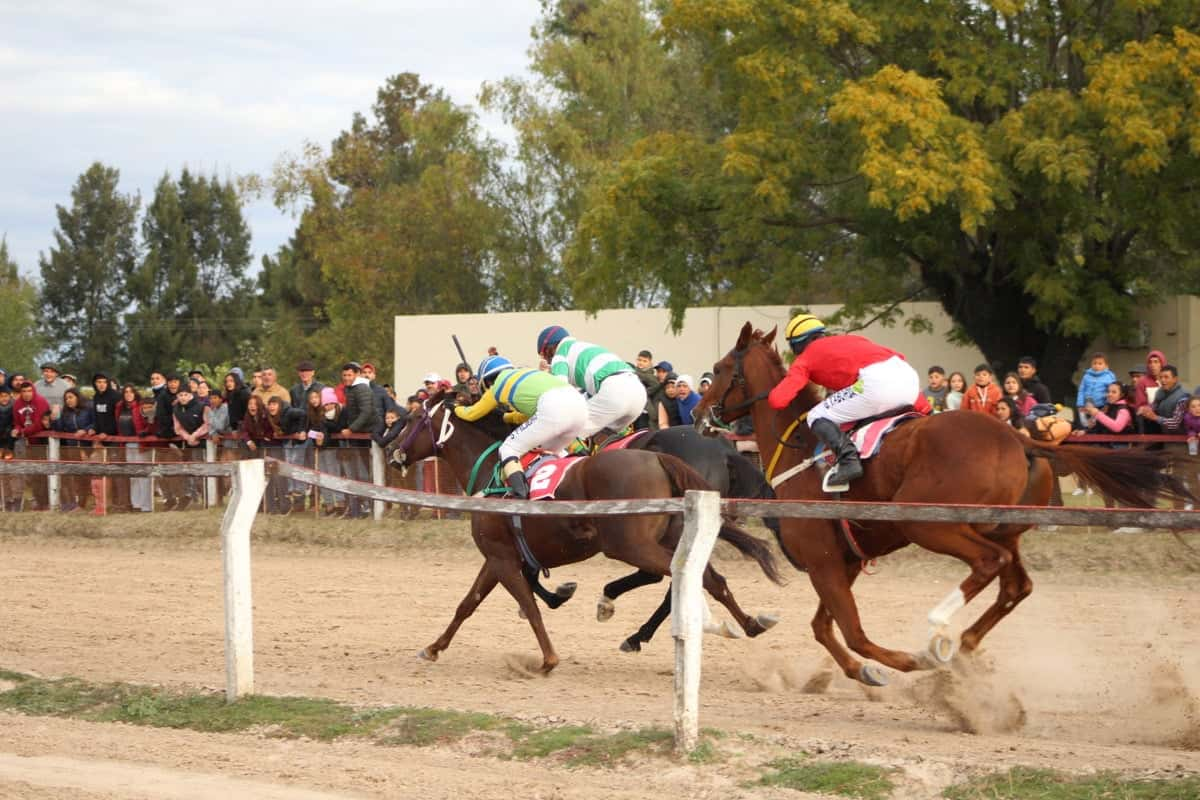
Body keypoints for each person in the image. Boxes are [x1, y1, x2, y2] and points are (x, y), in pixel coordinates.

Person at [768, 313, 920, 491]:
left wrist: (771, 394)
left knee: (816, 415)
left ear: (797, 344)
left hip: (877, 384)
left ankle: (849, 460)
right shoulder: (853, 339)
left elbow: (778, 401)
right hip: (909, 378)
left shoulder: (806, 357)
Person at [453, 355, 588, 499]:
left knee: (508, 448)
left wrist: (455, 408)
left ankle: (520, 497)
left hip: (553, 409)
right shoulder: (526, 373)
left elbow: (472, 413)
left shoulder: (497, 386)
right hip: (580, 407)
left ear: (487, 381)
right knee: (550, 451)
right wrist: (506, 417)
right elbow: (528, 415)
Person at [536, 325, 647, 447]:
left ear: (549, 349)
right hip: (638, 393)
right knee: (602, 438)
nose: (546, 360)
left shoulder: (560, 355)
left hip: (614, 393)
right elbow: (583, 396)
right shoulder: (583, 347)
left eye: (543, 355)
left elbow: (560, 393)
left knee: (563, 433)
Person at [13, 382, 50, 509]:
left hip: (42, 442)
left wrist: (23, 432)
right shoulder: (17, 403)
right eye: (24, 391)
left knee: (44, 473)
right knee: (32, 473)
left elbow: (41, 423)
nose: (27, 394)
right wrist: (17, 429)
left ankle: (46, 502)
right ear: (21, 392)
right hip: (27, 442)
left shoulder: (40, 401)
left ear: (33, 391)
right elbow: (17, 422)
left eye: (29, 390)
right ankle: (37, 501)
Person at [1137, 364, 1189, 433]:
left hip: (1180, 439)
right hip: (1164, 437)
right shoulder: (1160, 392)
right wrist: (1146, 410)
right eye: (1160, 377)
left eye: (1166, 377)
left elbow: (1176, 423)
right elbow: (1154, 407)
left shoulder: (1183, 396)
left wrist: (1156, 418)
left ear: (1175, 379)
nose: (1162, 380)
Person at [1075, 352, 1116, 429]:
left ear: (1106, 366)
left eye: (1100, 364)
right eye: (1094, 363)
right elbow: (1081, 390)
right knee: (1084, 424)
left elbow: (1111, 392)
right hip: (1086, 405)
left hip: (1101, 406)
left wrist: (1107, 404)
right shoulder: (1086, 376)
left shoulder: (1109, 377)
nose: (1097, 366)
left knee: (1096, 426)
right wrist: (1080, 404)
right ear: (1091, 364)